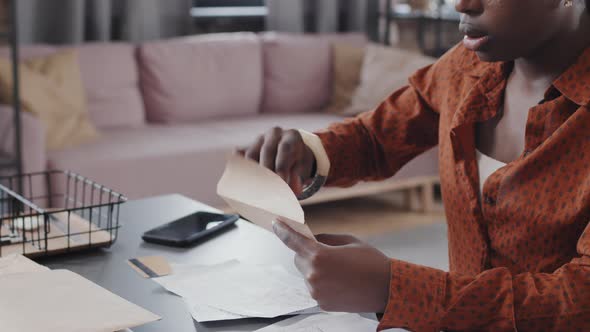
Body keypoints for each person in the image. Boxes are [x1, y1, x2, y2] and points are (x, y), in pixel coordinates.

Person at [241, 0, 590, 330]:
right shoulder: (463, 68)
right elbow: (377, 137)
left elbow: (579, 300)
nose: (462, 4)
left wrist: (394, 288)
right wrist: (310, 153)